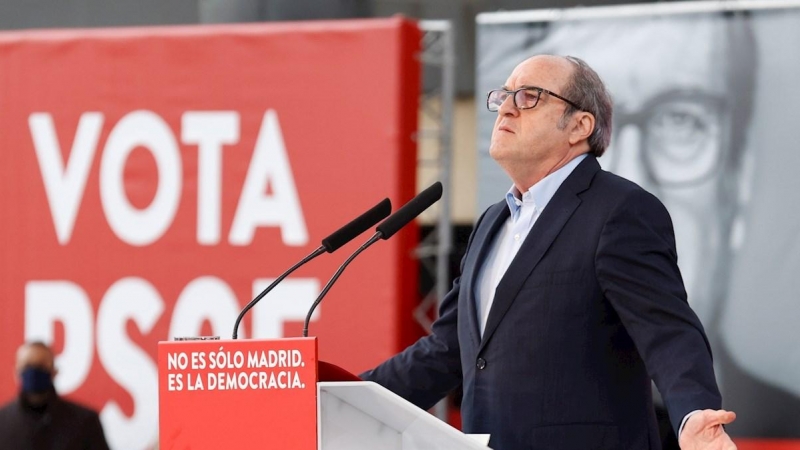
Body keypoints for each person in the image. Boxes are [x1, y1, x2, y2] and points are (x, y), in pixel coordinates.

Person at [361, 55, 736, 450]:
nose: (505, 107)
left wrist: (695, 414)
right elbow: (445, 351)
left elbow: (668, 331)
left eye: (528, 97)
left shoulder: (618, 210)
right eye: (503, 95)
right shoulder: (492, 222)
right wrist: (340, 397)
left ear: (579, 126)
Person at [0, 341, 110, 450]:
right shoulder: (3, 422)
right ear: (16, 372)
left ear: (54, 371)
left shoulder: (85, 422)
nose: (33, 372)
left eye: (41, 366)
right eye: (27, 365)